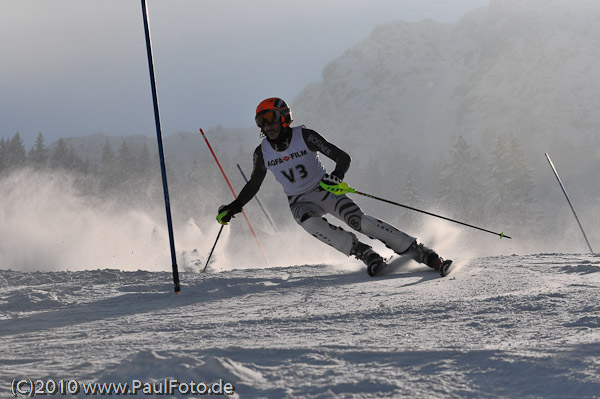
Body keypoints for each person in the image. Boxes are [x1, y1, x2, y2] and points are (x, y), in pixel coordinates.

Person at [216, 97, 446, 276]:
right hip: (299, 201)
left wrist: (336, 175)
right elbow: (254, 184)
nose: (266, 126)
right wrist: (234, 206)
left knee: (360, 221)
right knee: (309, 222)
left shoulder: (305, 136)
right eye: (261, 121)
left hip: (325, 189)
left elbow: (342, 157)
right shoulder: (262, 152)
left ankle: (420, 251)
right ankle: (365, 254)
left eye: (270, 118)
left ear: (284, 117)